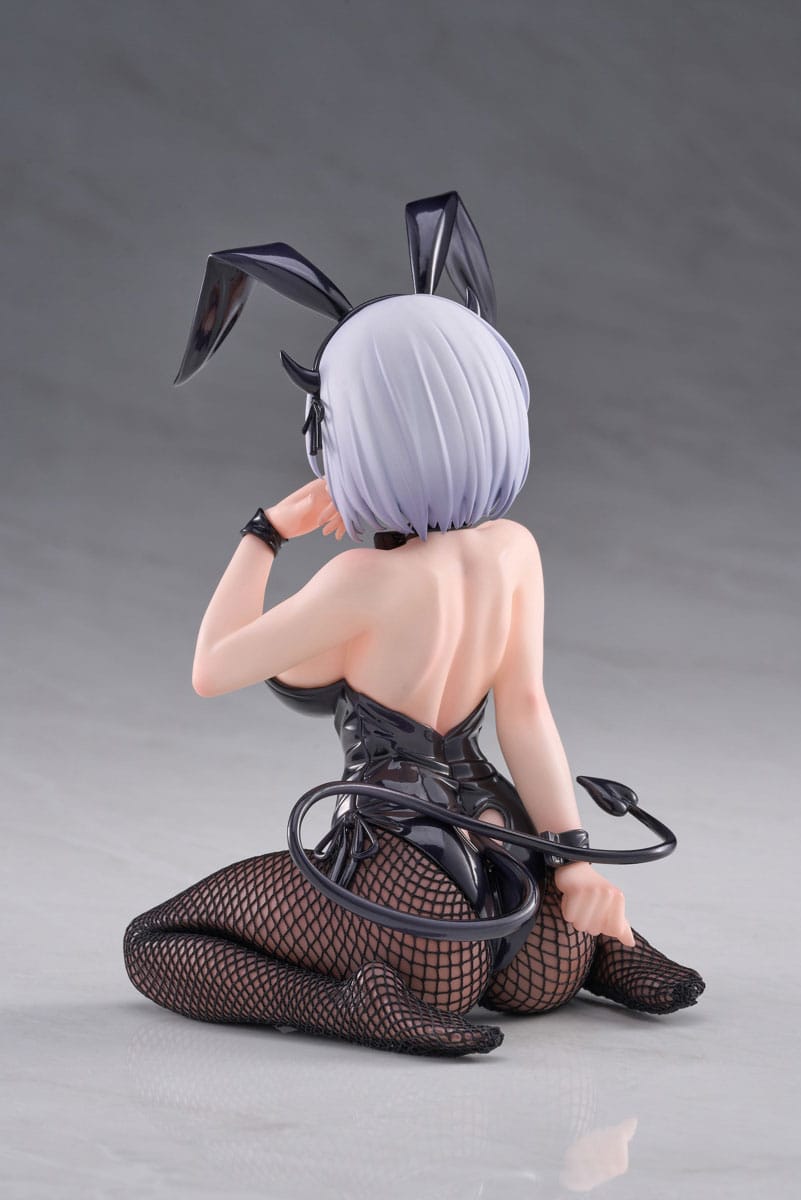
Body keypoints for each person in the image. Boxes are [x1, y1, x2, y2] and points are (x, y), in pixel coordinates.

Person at [123, 193, 705, 1057]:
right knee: (546, 955)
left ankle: (352, 1006)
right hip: (516, 873)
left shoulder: (363, 581)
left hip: (409, 889)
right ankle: (604, 949)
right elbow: (526, 714)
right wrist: (573, 861)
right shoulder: (512, 549)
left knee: (153, 943)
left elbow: (212, 668)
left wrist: (264, 532)